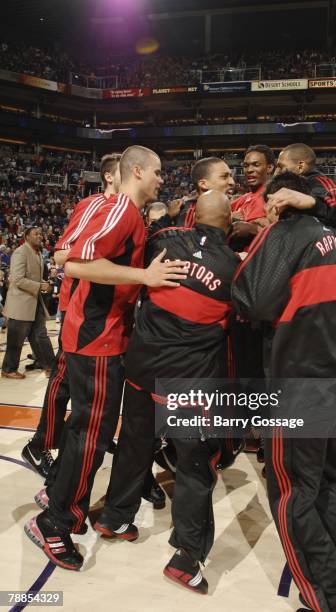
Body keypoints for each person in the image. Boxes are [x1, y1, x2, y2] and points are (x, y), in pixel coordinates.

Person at [24, 145, 188, 571]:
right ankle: (54, 522)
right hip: (97, 339)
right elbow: (73, 264)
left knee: (86, 431)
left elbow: (66, 252)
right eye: (157, 172)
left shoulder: (116, 210)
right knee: (89, 436)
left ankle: (61, 496)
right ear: (135, 171)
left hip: (96, 336)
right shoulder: (122, 211)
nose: (161, 179)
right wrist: (144, 276)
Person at [232, 172, 336, 612]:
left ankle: (332, 597)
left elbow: (251, 299)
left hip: (302, 385)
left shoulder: (286, 234)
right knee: (325, 485)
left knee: (294, 493)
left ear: (280, 200)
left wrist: (251, 251)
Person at [94, 191, 240, 593]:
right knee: (195, 466)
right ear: (229, 222)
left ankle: (114, 517)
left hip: (141, 367)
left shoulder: (164, 240)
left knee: (135, 443)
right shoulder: (234, 268)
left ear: (193, 216)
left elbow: (154, 234)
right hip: (187, 380)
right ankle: (187, 558)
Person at [270, 142, 336, 517]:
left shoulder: (319, 183)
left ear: (300, 165)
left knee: (326, 398)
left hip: (325, 296)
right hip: (311, 291)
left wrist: (308, 202)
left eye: (280, 161)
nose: (273, 167)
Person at [21, 153, 121, 479]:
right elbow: (63, 251)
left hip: (98, 308)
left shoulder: (124, 209)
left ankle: (57, 444)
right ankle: (43, 445)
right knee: (64, 381)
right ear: (109, 177)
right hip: (77, 305)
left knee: (69, 383)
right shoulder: (93, 205)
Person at [2, 227, 55, 380]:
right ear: (26, 236)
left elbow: (32, 277)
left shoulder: (38, 253)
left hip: (34, 301)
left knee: (41, 336)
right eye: (36, 234)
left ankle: (50, 367)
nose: (40, 236)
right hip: (21, 303)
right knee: (16, 339)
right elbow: (17, 279)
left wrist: (42, 283)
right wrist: (39, 286)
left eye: (40, 234)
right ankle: (8, 369)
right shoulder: (20, 252)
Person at [273, 142, 336, 235]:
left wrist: (314, 204)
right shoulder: (288, 187)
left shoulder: (325, 185)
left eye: (281, 167)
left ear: (300, 166)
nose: (275, 173)